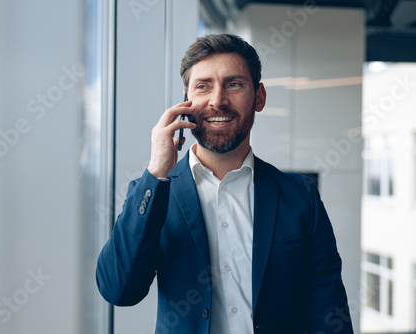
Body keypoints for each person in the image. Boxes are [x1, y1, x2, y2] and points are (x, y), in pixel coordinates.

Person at [96, 33, 353, 334]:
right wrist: (156, 171)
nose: (218, 100)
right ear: (186, 101)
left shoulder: (300, 196)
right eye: (203, 86)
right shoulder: (153, 193)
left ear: (259, 97)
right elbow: (118, 290)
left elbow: (329, 312)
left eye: (234, 84)